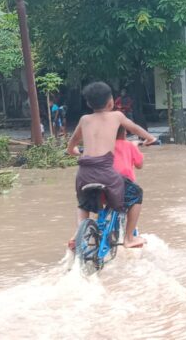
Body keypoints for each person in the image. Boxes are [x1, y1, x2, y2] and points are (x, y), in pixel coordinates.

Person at [67, 82, 156, 249]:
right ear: (111, 102)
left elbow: (71, 147)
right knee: (136, 193)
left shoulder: (84, 119)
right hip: (106, 173)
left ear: (88, 103)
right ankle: (129, 238)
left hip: (84, 173)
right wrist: (150, 139)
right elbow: (135, 128)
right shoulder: (117, 116)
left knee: (83, 202)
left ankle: (79, 234)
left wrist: (77, 152)